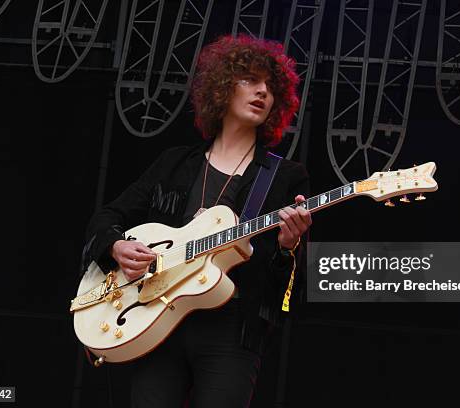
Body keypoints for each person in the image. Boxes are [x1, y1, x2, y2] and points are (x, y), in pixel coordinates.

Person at [81, 34, 311, 408]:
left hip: (231, 331)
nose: (262, 92)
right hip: (157, 320)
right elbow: (107, 216)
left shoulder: (284, 177)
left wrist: (289, 248)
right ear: (222, 89)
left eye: (270, 87)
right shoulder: (175, 164)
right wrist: (116, 245)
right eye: (249, 80)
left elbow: (289, 290)